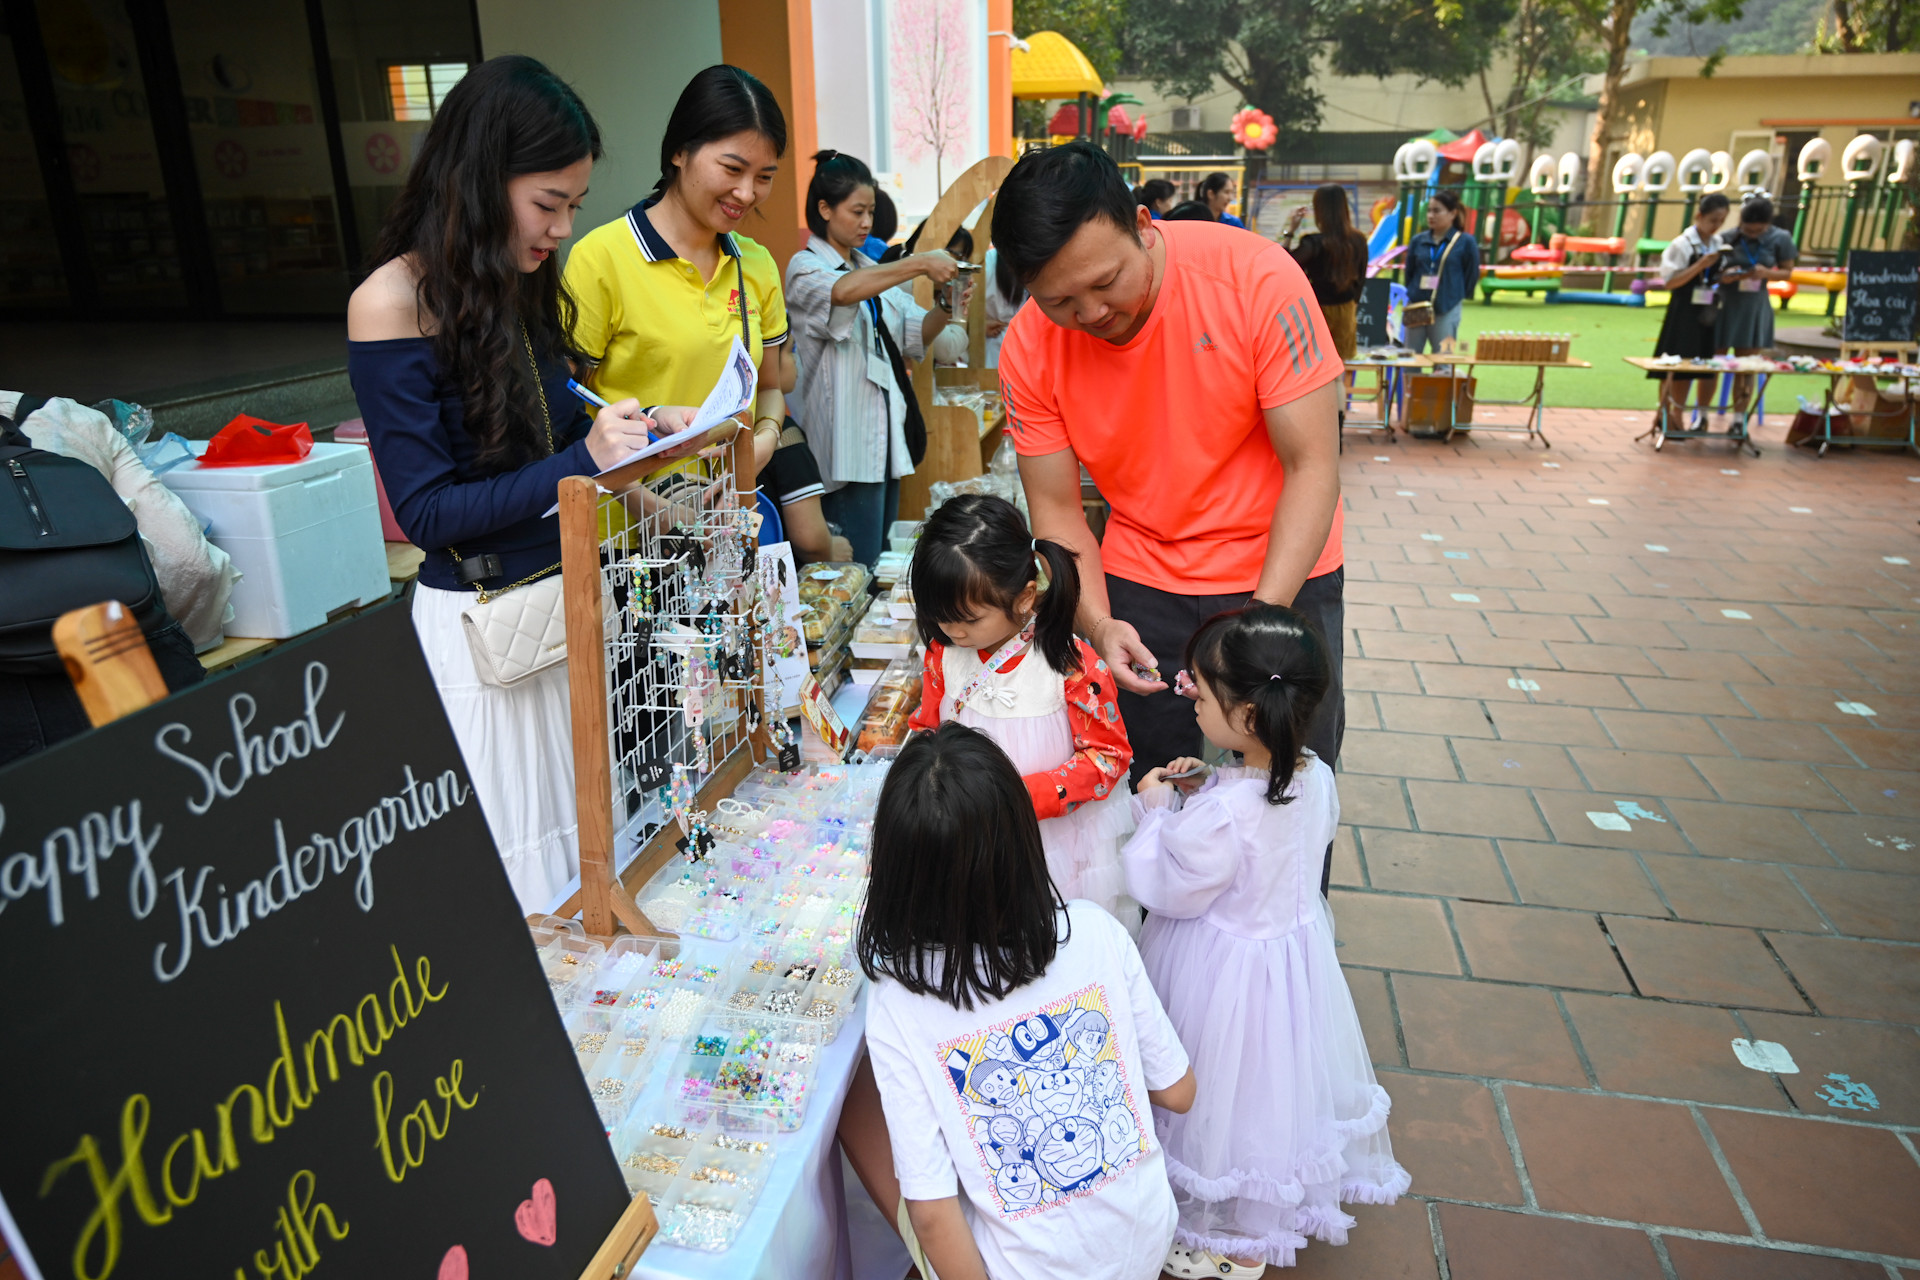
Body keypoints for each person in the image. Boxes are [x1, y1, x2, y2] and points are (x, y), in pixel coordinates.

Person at [347, 56, 709, 910]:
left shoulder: (512, 286)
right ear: (479, 181)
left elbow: (545, 446)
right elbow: (429, 513)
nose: (561, 229)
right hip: (483, 636)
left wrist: (637, 464)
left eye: (574, 207)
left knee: (590, 866)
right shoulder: (390, 303)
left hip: (561, 612)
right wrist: (584, 460)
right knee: (518, 893)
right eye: (549, 204)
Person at [992, 142, 1346, 855]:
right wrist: (1095, 622)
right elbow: (1058, 513)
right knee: (1154, 804)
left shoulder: (1254, 279)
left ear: (1144, 226)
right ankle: (1157, 964)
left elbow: (1313, 465)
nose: (1091, 313)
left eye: (1106, 281)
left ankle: (1280, 956)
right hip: (1145, 581)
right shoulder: (1031, 347)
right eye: (1059, 300)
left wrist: (1260, 622)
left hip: (1282, 572)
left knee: (1283, 808)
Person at [853, 722, 1197, 1280]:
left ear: (895, 871)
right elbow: (1179, 1092)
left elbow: (934, 1216)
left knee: (851, 1103)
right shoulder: (1093, 930)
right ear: (1020, 840)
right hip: (1146, 1243)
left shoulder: (898, 999)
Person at [1124, 605, 1408, 1276]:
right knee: (1264, 1086)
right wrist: (1210, 784)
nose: (1189, 697)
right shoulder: (1314, 776)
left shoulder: (1220, 814)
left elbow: (1166, 884)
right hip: (1287, 962)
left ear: (1248, 716)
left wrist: (1156, 810)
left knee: (1213, 1085)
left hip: (1216, 970)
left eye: (1200, 688)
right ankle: (1258, 1207)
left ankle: (1215, 1233)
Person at [904, 493, 1135, 922]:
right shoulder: (943, 655)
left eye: (969, 620)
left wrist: (1018, 798)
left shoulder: (1070, 666)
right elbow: (927, 727)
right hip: (969, 829)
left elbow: (1109, 758)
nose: (953, 631)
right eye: (940, 617)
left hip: (1052, 840)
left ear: (1026, 596)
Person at [562, 65, 794, 486]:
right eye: (732, 168)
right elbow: (569, 410)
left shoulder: (756, 264)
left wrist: (765, 440)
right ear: (679, 152)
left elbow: (771, 387)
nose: (747, 193)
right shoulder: (602, 258)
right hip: (629, 534)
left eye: (764, 177)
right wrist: (652, 506)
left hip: (727, 518)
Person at [784, 150, 969, 564]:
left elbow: (913, 335)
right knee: (854, 572)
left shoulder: (867, 265)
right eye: (857, 212)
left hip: (882, 441)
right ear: (824, 209)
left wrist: (943, 307)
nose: (867, 223)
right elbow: (843, 292)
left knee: (877, 563)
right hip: (844, 446)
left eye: (870, 212)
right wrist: (919, 263)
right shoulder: (805, 267)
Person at [1647, 192, 1730, 432]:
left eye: (1721, 221)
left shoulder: (1716, 243)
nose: (1717, 226)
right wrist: (1700, 265)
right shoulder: (1681, 244)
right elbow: (1670, 281)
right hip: (1683, 310)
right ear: (1699, 216)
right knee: (1673, 364)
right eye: (1713, 220)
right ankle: (1668, 414)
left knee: (1697, 364)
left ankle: (1678, 414)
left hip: (1705, 310)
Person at [1714, 195, 1798, 429]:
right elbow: (1713, 271)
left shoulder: (1780, 238)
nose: (1751, 235)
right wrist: (1728, 275)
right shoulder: (1727, 237)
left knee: (1746, 365)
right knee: (1713, 363)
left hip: (1754, 305)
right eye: (1747, 230)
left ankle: (1739, 419)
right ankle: (1701, 414)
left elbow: (1787, 272)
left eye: (1757, 231)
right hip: (1725, 303)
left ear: (1767, 224)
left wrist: (1767, 273)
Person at [1284, 184, 1372, 360]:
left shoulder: (1312, 243)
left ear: (1319, 210)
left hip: (1316, 310)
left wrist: (1290, 231)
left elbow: (1285, 265)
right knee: (1342, 366)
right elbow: (1361, 278)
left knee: (1314, 367)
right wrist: (1352, 304)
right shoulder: (1358, 240)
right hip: (1346, 309)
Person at [1402, 190, 1480, 357]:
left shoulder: (1465, 242)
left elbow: (1471, 274)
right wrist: (1415, 292)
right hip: (1417, 307)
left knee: (1444, 358)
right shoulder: (1418, 240)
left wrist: (1454, 293)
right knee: (1410, 359)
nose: (1431, 215)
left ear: (1453, 213)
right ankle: (1411, 384)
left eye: (1437, 211)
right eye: (1429, 211)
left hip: (1447, 307)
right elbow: (1410, 273)